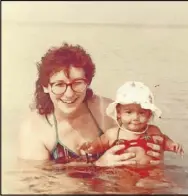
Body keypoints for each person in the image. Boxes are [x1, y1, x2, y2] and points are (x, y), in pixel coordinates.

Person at [18, 43, 165, 168]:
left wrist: (154, 151)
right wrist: (97, 166)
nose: (69, 94)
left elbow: (143, 134)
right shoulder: (34, 129)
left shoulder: (106, 111)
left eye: (77, 83)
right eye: (59, 84)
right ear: (45, 86)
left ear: (87, 82)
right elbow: (38, 183)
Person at [79, 81, 184, 168]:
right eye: (129, 112)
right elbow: (100, 144)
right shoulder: (114, 134)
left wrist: (172, 145)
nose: (135, 118)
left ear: (149, 114)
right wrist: (89, 148)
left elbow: (164, 140)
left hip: (151, 172)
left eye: (141, 113)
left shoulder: (153, 131)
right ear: (119, 113)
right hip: (124, 172)